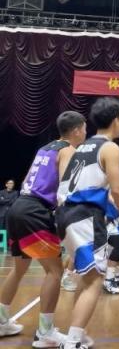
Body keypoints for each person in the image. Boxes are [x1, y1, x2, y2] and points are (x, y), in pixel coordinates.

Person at [0, 111, 86, 345]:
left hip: (19, 207)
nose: (85, 133)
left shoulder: (45, 148)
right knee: (55, 272)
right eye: (84, 129)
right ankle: (45, 333)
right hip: (35, 212)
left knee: (19, 269)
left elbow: (30, 179)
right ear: (77, 130)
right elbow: (66, 187)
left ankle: (1, 321)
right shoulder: (68, 150)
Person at [56, 98, 119, 349]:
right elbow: (117, 190)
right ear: (116, 120)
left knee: (87, 278)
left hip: (65, 214)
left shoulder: (82, 147)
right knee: (95, 281)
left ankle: (76, 335)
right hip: (85, 215)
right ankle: (73, 342)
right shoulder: (110, 148)